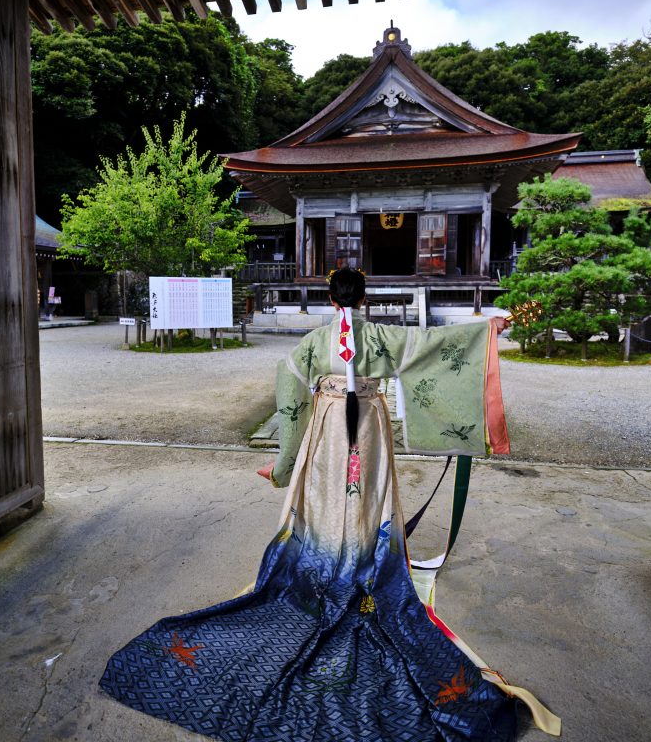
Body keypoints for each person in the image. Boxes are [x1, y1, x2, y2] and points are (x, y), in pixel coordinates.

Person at [100, 268, 559, 740]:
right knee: (368, 497)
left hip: (326, 427)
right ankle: (364, 555)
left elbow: (290, 396)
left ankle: (325, 562)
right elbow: (432, 346)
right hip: (368, 428)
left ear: (328, 295)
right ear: (363, 297)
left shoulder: (317, 342)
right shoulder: (381, 337)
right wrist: (487, 329)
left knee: (322, 494)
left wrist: (281, 467)